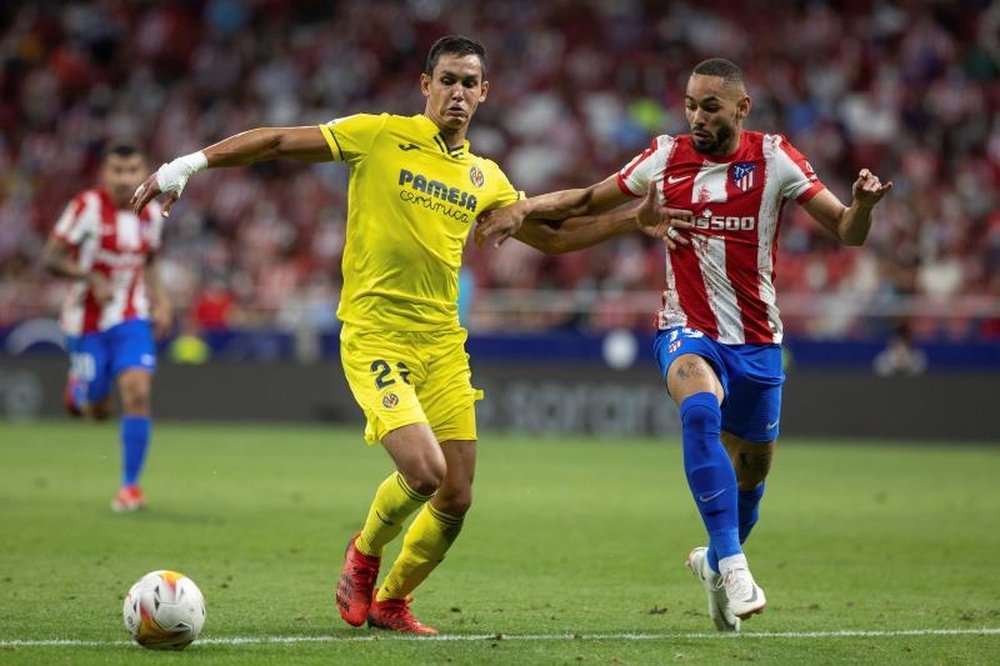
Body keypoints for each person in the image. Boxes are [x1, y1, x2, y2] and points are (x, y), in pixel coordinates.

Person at [478, 57, 893, 632]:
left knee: (751, 479)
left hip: (757, 340)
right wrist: (524, 206)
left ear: (742, 108)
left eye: (710, 106)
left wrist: (865, 208)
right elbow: (584, 201)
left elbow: (847, 232)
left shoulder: (775, 159)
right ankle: (738, 567)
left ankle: (714, 560)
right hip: (687, 328)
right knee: (700, 409)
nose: (696, 116)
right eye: (691, 104)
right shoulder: (666, 157)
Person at [131, 35, 523, 635]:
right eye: (447, 80)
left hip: (443, 343)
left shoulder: (485, 176)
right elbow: (280, 141)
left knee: (458, 495)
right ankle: (363, 556)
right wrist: (188, 164)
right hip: (376, 335)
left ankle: (392, 602)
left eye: (470, 83)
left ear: (485, 93)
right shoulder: (377, 134)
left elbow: (544, 227)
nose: (458, 93)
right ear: (425, 85)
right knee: (424, 472)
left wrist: (627, 215)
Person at [42, 142, 171, 512]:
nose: (125, 178)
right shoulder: (85, 207)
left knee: (137, 392)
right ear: (105, 173)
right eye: (117, 170)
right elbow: (49, 258)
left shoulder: (150, 211)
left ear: (143, 170)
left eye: (132, 170)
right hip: (86, 322)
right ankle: (80, 389)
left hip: (131, 317)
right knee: (96, 411)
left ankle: (130, 488)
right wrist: (87, 276)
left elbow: (149, 259)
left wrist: (161, 299)